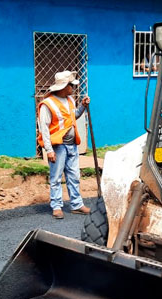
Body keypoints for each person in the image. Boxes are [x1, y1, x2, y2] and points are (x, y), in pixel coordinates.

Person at [37, 70, 91, 219]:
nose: (73, 88)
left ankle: (77, 204)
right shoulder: (47, 104)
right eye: (70, 85)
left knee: (74, 176)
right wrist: (48, 150)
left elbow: (73, 117)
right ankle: (56, 206)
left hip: (72, 145)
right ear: (63, 86)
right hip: (58, 147)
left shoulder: (70, 100)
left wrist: (82, 106)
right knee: (56, 177)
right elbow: (44, 129)